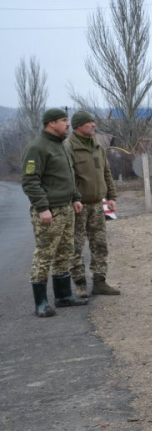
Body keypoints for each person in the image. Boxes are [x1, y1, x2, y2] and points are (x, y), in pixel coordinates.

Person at [21, 107, 88, 317]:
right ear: (51, 123)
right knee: (44, 255)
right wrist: (42, 208)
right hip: (50, 211)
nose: (67, 124)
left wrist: (75, 197)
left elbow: (68, 176)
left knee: (64, 252)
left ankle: (63, 296)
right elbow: (30, 181)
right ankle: (41, 303)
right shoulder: (37, 148)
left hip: (66, 207)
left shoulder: (61, 146)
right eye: (63, 120)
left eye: (67, 120)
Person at [64, 110, 120, 296]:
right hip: (78, 205)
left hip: (97, 204)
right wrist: (74, 199)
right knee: (75, 245)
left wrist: (111, 197)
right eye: (89, 123)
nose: (93, 125)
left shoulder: (97, 147)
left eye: (93, 122)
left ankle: (100, 281)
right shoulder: (68, 148)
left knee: (100, 243)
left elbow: (106, 173)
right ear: (78, 126)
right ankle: (80, 284)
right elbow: (67, 178)